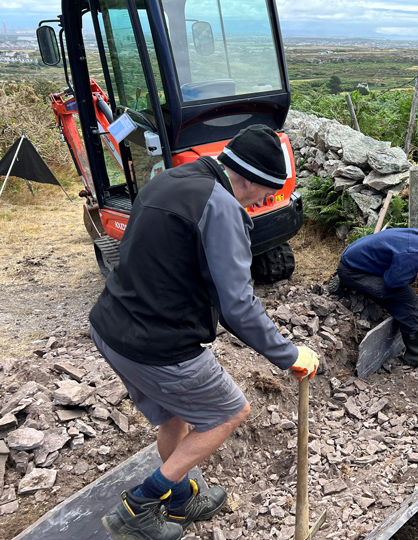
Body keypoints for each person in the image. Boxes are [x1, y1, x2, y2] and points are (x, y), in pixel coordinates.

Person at [89, 124, 319, 540]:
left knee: (176, 416)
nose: (263, 201)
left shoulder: (173, 177)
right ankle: (140, 507)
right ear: (245, 178)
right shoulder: (222, 206)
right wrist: (290, 355)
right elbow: (237, 306)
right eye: (263, 192)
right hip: (159, 344)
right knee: (230, 412)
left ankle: (179, 499)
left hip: (112, 327)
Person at [336, 228, 418, 372]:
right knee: (407, 296)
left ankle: (415, 350)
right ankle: (416, 353)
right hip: (353, 272)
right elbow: (393, 283)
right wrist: (413, 273)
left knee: (406, 287)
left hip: (359, 260)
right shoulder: (416, 254)